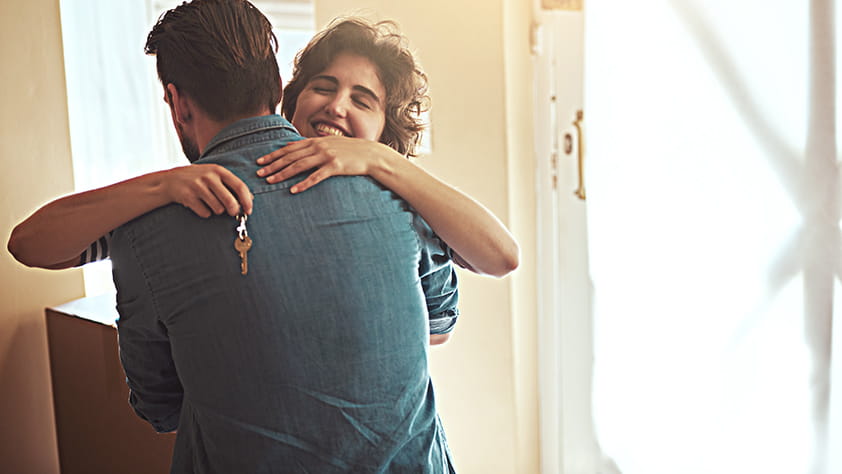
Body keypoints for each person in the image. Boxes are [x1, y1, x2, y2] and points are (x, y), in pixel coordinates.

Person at [110, 0, 457, 471]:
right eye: (326, 87)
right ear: (279, 89)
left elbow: (160, 407)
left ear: (177, 103)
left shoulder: (146, 227)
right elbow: (440, 323)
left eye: (362, 99)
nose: (338, 108)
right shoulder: (401, 199)